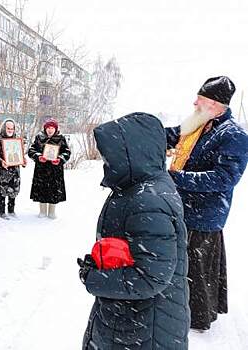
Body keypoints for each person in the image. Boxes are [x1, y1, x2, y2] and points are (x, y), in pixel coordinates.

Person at [78, 112, 190, 350]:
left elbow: (150, 278)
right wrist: (100, 263)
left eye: (110, 155)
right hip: (130, 321)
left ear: (131, 152)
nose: (106, 162)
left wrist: (94, 278)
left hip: (144, 328)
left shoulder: (149, 200)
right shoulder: (135, 186)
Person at [165, 76, 248, 332]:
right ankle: (185, 309)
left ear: (215, 104)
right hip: (187, 209)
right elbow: (172, 137)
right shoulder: (201, 125)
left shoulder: (233, 135)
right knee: (186, 263)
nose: (194, 104)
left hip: (205, 214)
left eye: (199, 100)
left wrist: (177, 178)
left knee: (198, 269)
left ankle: (199, 318)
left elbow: (225, 178)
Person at [28, 118, 70, 219]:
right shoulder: (39, 137)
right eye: (48, 128)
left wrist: (60, 159)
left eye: (52, 128)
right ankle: (42, 211)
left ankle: (52, 211)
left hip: (55, 170)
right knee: (41, 189)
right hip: (41, 169)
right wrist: (38, 157)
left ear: (55, 129)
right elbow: (31, 150)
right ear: (45, 128)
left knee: (54, 190)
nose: (50, 130)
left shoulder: (61, 138)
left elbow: (67, 152)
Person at [0, 119, 26, 218]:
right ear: (4, 128)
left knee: (13, 192)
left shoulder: (17, 140)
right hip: (2, 171)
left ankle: (11, 210)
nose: (10, 130)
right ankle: (1, 212)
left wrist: (23, 160)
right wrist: (0, 161)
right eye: (8, 128)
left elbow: (20, 154)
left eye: (12, 128)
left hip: (14, 171)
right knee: (2, 192)